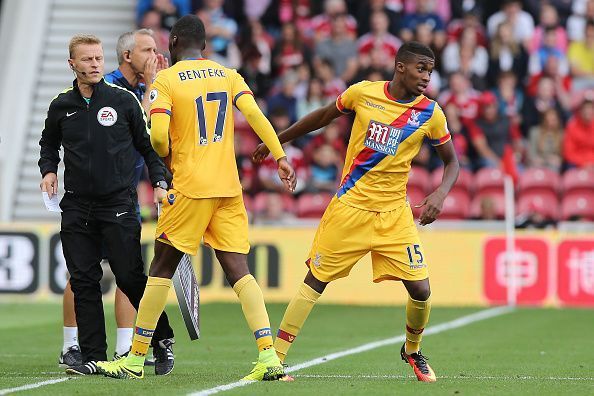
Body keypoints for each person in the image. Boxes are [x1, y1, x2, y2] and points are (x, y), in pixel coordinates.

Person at [96, 15, 297, 381]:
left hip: (189, 187)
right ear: (203, 45)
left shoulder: (166, 80)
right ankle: (269, 356)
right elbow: (255, 114)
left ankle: (136, 359)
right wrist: (280, 156)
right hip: (228, 188)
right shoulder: (228, 74)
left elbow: (157, 139)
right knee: (240, 270)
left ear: (172, 43)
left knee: (160, 268)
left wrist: (168, 156)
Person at [253, 41, 460, 382]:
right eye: (421, 69)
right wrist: (278, 141)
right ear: (401, 67)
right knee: (314, 282)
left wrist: (440, 193)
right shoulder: (363, 93)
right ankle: (274, 359)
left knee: (421, 290)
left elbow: (452, 162)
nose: (426, 77)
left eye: (430, 71)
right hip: (349, 207)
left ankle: (412, 350)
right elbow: (321, 116)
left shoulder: (431, 113)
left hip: (394, 214)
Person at [39, 34, 175, 375]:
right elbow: (48, 143)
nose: (95, 64)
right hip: (77, 205)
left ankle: (161, 337)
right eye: (87, 59)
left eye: (98, 58)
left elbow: (149, 147)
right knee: (84, 279)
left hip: (118, 203)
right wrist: (49, 170)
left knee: (130, 277)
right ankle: (92, 356)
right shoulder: (60, 105)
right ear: (72, 64)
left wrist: (160, 183)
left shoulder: (124, 101)